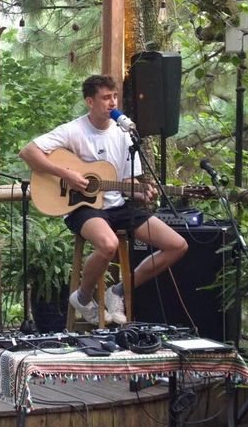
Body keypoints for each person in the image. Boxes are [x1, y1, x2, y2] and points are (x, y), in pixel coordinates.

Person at [19, 74, 188, 325]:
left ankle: (118, 291)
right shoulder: (72, 130)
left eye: (114, 96)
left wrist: (141, 191)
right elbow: (28, 152)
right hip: (83, 207)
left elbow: (126, 181)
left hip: (118, 205)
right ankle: (83, 298)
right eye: (105, 97)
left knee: (177, 245)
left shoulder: (124, 134)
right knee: (108, 245)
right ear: (90, 101)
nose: (112, 102)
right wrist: (66, 173)